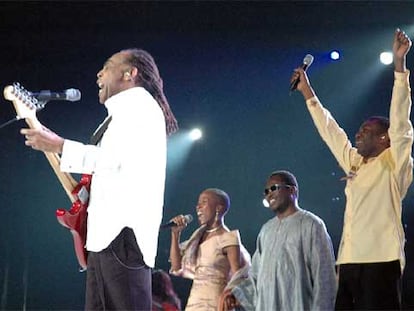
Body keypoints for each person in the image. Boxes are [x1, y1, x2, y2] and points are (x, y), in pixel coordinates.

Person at [20, 48, 178, 310]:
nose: (98, 74)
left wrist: (60, 145)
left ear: (130, 73)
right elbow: (109, 165)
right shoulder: (119, 115)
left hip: (122, 234)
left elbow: (114, 159)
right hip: (106, 235)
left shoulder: (141, 107)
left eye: (108, 66)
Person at [291, 29, 412, 309]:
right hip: (348, 260)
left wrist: (399, 66)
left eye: (366, 131)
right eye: (359, 130)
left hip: (381, 260)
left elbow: (401, 122)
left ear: (385, 138)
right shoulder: (355, 162)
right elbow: (331, 131)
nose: (358, 134)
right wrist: (307, 90)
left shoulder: (395, 163)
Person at [220, 170, 337, 311]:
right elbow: (255, 276)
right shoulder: (266, 230)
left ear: (292, 190)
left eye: (274, 188)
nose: (269, 194)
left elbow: (324, 278)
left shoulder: (311, 224)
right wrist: (236, 294)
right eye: (266, 191)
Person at [168, 188, 251, 311]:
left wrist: (229, 298)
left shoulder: (228, 238)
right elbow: (176, 267)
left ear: (219, 208)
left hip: (214, 303)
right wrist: (175, 235)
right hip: (194, 302)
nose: (198, 207)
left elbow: (238, 277)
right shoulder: (196, 238)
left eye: (204, 202)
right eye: (198, 203)